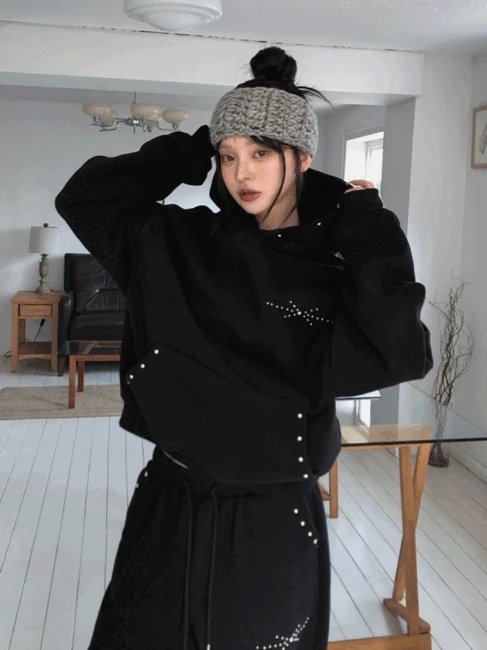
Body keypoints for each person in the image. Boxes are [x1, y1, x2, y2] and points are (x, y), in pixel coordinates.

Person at [55, 46, 433, 650]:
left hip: (272, 518)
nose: (241, 173)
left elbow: (399, 353)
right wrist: (191, 149)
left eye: (260, 153)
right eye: (228, 156)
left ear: (302, 157)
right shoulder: (177, 244)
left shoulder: (330, 266)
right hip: (172, 500)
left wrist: (365, 219)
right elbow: (85, 199)